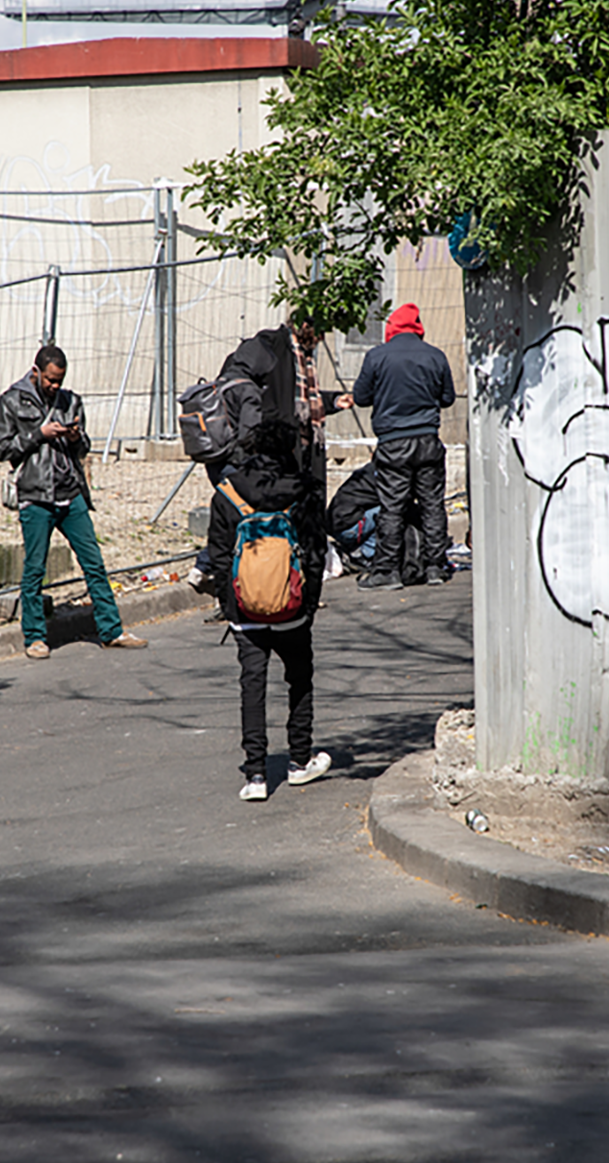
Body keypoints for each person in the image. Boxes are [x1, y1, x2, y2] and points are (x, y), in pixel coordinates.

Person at [0, 344, 149, 659]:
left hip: (70, 493)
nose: (55, 386)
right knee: (35, 568)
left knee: (94, 563)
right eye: (50, 380)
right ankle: (35, 637)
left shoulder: (71, 400)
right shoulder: (11, 401)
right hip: (35, 496)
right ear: (35, 372)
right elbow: (2, 449)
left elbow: (83, 449)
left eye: (59, 380)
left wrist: (77, 438)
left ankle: (112, 631)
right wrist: (39, 433)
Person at [206, 420, 331, 801]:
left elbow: (219, 557)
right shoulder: (306, 491)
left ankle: (256, 776)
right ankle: (299, 761)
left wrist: (230, 606)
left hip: (246, 612)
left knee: (252, 685)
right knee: (300, 679)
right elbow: (314, 554)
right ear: (290, 449)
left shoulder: (227, 493)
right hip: (292, 609)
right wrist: (307, 605)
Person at [186, 318, 353, 593]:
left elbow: (296, 400)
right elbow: (251, 435)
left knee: (239, 517)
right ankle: (220, 576)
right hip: (242, 463)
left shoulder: (228, 383)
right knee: (252, 516)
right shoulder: (251, 389)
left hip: (219, 459)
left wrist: (332, 401)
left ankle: (214, 575)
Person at [350, 302, 456, 591]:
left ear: (391, 328)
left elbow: (360, 397)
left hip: (392, 443)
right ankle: (435, 567)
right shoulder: (436, 355)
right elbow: (447, 398)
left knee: (392, 507)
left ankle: (388, 571)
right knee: (433, 504)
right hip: (428, 442)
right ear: (417, 327)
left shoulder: (376, 356)